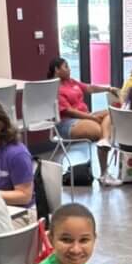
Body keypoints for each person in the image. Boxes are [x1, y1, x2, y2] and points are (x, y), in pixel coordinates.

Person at [48, 57, 120, 186]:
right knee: (100, 130)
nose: (69, 69)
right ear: (56, 70)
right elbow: (70, 111)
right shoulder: (54, 88)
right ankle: (104, 173)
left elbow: (89, 88)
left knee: (111, 113)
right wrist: (92, 118)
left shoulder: (71, 82)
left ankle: (104, 147)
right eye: (66, 67)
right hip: (68, 123)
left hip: (85, 116)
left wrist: (108, 89)